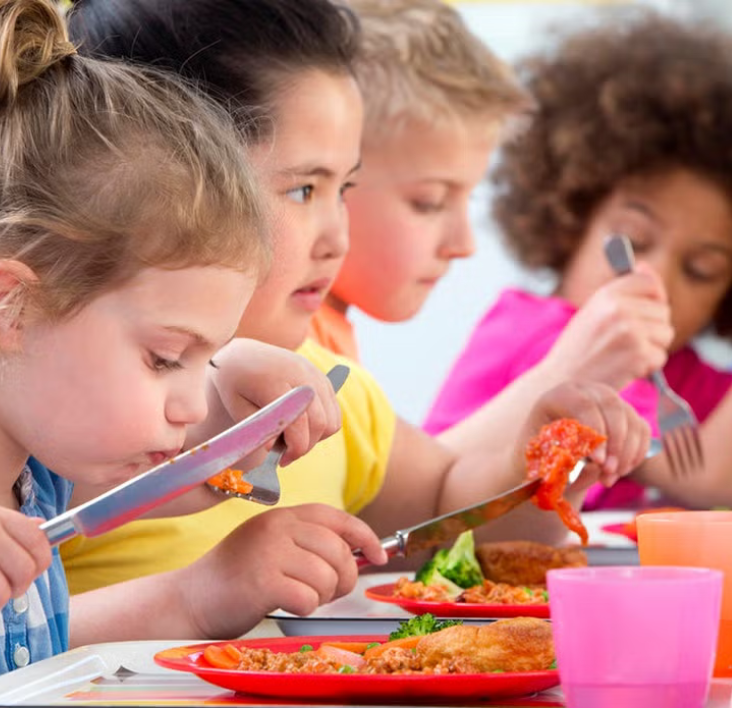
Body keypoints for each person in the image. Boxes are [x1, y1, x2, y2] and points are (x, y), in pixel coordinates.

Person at [0, 0, 388, 708]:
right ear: (11, 310)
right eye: (163, 357)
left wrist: (232, 395)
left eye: (201, 356)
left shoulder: (34, 476)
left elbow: (178, 472)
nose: (185, 403)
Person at [62, 0, 651, 596]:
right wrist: (199, 595)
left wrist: (547, 465)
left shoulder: (330, 388)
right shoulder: (75, 410)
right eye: (302, 190)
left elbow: (452, 525)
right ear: (165, 185)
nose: (338, 236)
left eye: (343, 189)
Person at [423, 11, 732, 510]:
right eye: (633, 239)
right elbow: (708, 475)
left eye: (701, 270)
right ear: (569, 221)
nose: (655, 277)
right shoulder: (544, 331)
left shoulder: (680, 374)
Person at [308, 0, 530, 361]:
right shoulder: (289, 348)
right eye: (429, 202)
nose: (464, 244)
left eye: (468, 198)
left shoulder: (324, 334)